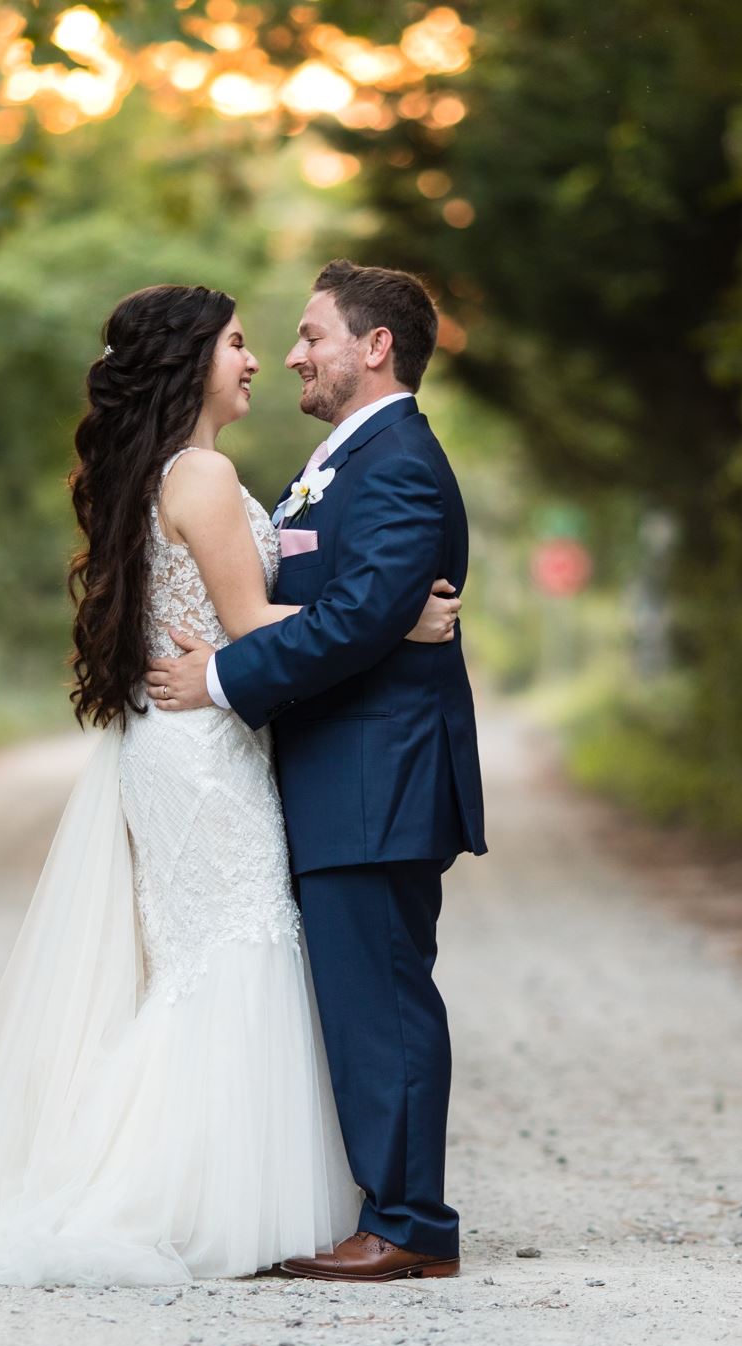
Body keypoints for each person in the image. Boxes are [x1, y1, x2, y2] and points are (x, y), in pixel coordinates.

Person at [0, 282, 464, 1286]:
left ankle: (257, 1196)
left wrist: (364, 621)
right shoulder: (204, 476)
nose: (265, 359)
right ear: (190, 363)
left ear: (374, 345)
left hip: (200, 741)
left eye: (290, 338)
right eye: (243, 344)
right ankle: (196, 1195)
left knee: (218, 959)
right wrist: (395, 621)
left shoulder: (197, 472)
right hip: (201, 742)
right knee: (230, 956)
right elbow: (261, 626)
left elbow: (278, 609)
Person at [146, 259, 487, 1282]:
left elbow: (355, 616)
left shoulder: (398, 463)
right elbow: (352, 608)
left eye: (311, 333)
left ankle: (410, 1223)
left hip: (377, 775)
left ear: (373, 345)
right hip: (340, 771)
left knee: (380, 998)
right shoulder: (345, 460)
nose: (292, 353)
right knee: (358, 997)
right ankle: (385, 1209)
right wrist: (387, 625)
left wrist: (221, 678)